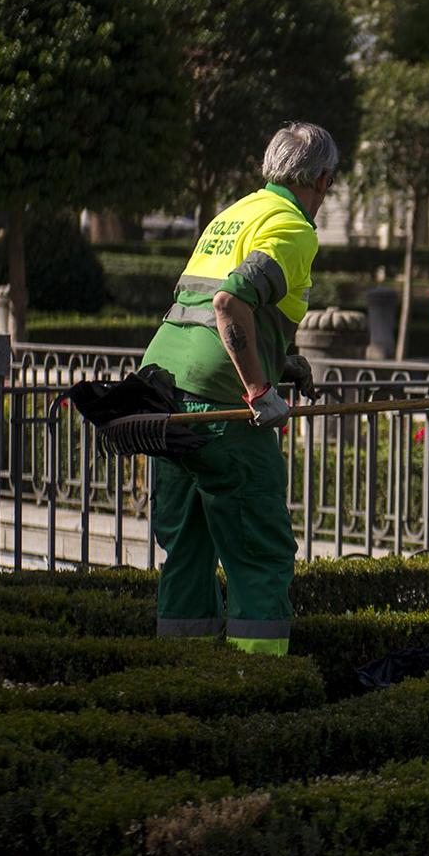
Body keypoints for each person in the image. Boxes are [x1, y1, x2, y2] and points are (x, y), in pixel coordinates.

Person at [137, 122, 336, 653]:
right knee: (259, 549)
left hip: (163, 394)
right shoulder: (293, 227)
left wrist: (280, 360)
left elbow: (201, 310)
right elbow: (229, 303)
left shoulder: (232, 214)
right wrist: (258, 390)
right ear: (320, 178)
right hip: (221, 402)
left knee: (188, 547)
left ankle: (184, 670)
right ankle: (258, 684)